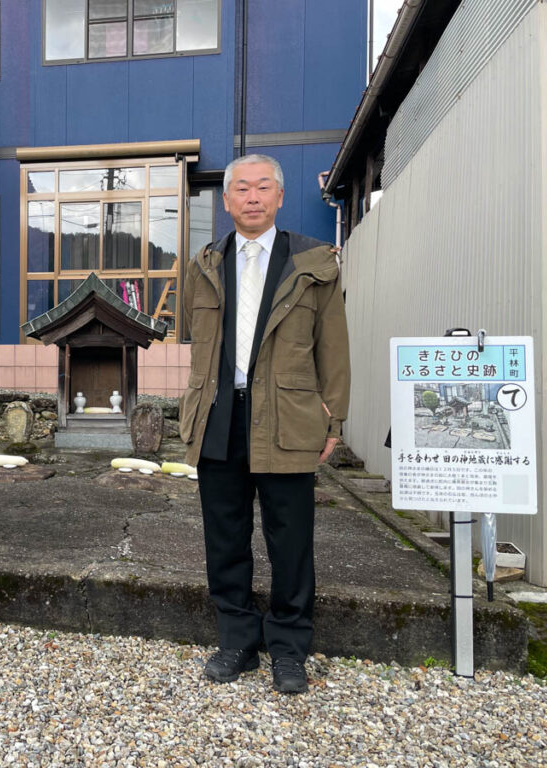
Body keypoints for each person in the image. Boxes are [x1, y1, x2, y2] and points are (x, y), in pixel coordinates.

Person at [180, 154, 350, 694]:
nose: (251, 198)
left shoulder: (314, 261)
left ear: (279, 197)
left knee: (290, 539)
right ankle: (236, 640)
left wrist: (334, 417)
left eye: (262, 188)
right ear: (226, 200)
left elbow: (334, 346)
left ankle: (289, 647)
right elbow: (196, 343)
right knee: (224, 538)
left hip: (289, 415)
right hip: (219, 415)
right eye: (241, 189)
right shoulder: (204, 263)